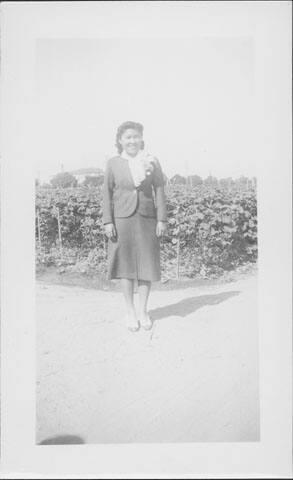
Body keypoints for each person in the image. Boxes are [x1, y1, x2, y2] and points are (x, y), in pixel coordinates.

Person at [102, 121, 167, 332]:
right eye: (127, 137)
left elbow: (159, 189)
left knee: (147, 265)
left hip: (147, 218)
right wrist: (108, 221)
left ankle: (143, 311)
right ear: (120, 141)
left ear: (141, 139)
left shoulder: (151, 161)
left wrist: (161, 219)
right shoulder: (113, 163)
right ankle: (130, 312)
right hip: (122, 219)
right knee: (126, 267)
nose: (132, 141)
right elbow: (107, 193)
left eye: (135, 136)